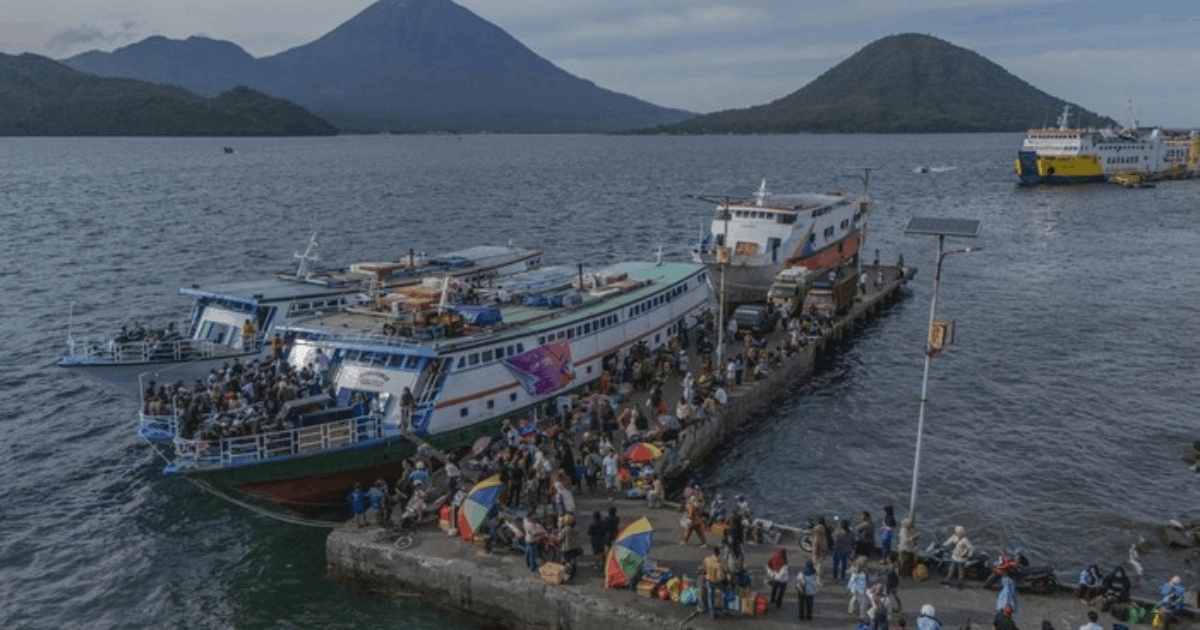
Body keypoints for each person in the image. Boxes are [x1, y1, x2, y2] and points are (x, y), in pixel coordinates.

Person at [703, 546, 726, 619]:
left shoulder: (707, 559)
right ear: (718, 554)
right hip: (716, 582)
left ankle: (711, 614)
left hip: (708, 580)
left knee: (710, 598)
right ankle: (723, 609)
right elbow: (720, 577)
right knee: (724, 593)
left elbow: (704, 568)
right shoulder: (719, 564)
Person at [812, 516, 830, 581]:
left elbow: (815, 548)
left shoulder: (816, 538)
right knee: (821, 564)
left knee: (818, 565)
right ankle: (819, 575)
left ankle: (818, 577)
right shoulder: (823, 537)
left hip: (818, 553)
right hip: (823, 552)